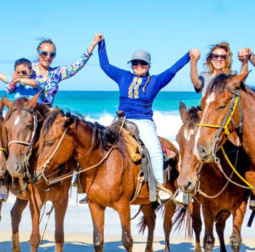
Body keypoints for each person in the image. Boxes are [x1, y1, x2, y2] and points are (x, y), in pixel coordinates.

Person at [97, 34, 194, 201]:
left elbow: (172, 70)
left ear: (148, 65)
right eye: (135, 63)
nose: (138, 66)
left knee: (155, 150)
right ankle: (91, 187)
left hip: (143, 121)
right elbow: (105, 65)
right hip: (121, 120)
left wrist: (188, 56)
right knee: (99, 143)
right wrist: (101, 44)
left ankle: (159, 187)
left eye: (142, 63)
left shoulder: (155, 81)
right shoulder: (123, 76)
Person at [32, 35, 103, 106]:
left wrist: (92, 45)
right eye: (44, 53)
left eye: (52, 54)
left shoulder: (56, 73)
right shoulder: (29, 69)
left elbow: (77, 65)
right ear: (38, 54)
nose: (48, 57)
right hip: (28, 113)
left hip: (47, 114)